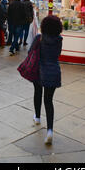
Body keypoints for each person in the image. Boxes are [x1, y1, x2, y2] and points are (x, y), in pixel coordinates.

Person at [31, 15, 63, 145]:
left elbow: (30, 52)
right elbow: (58, 54)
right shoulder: (59, 39)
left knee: (37, 93)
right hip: (54, 71)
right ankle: (50, 130)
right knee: (48, 101)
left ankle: (37, 117)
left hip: (39, 70)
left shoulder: (39, 38)